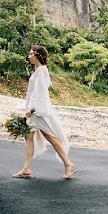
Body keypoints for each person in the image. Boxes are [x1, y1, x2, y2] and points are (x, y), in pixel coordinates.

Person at [11, 45, 76, 179]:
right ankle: (27, 168)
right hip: (35, 110)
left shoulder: (41, 71)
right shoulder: (39, 70)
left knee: (50, 136)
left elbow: (39, 92)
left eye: (31, 54)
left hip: (38, 111)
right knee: (29, 136)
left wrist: (31, 108)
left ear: (37, 56)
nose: (29, 57)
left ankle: (68, 163)